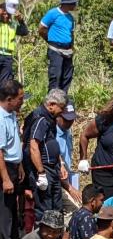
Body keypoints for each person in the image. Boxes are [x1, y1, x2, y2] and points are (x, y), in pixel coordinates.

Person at [23, 88, 67, 221]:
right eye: (62, 108)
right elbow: (34, 146)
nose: (63, 111)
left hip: (53, 168)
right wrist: (41, 173)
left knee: (57, 207)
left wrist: (62, 164)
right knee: (45, 210)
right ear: (52, 104)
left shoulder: (51, 118)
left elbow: (51, 142)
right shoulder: (41, 118)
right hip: (43, 169)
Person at [0, 79, 24, 239]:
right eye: (20, 98)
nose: (22, 102)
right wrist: (6, 178)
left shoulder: (12, 114)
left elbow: (14, 142)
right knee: (5, 212)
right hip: (4, 168)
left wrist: (20, 164)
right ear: (9, 99)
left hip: (14, 166)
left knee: (14, 211)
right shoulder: (0, 118)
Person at [39, 0, 77, 92]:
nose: (75, 5)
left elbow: (71, 33)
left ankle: (63, 99)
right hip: (55, 49)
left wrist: (72, 47)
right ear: (66, 4)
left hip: (67, 50)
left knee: (67, 76)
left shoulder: (70, 18)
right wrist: (50, 40)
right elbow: (41, 29)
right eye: (73, 3)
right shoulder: (52, 13)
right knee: (55, 76)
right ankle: (52, 101)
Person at [0, 0, 28, 83]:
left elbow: (24, 32)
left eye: (8, 14)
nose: (6, 16)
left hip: (7, 57)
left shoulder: (13, 25)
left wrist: (21, 20)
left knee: (5, 83)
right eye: (4, 13)